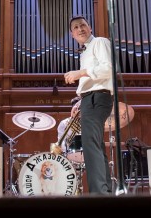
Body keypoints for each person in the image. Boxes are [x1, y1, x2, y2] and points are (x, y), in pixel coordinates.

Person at [63, 15, 113, 195]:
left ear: (90, 27)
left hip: (97, 98)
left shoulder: (99, 42)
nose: (80, 29)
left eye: (83, 25)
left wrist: (80, 73)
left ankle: (99, 194)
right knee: (96, 145)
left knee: (90, 145)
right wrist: (80, 100)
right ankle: (105, 191)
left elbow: (108, 69)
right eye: (76, 27)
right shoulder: (85, 52)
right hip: (90, 98)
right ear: (72, 34)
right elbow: (92, 79)